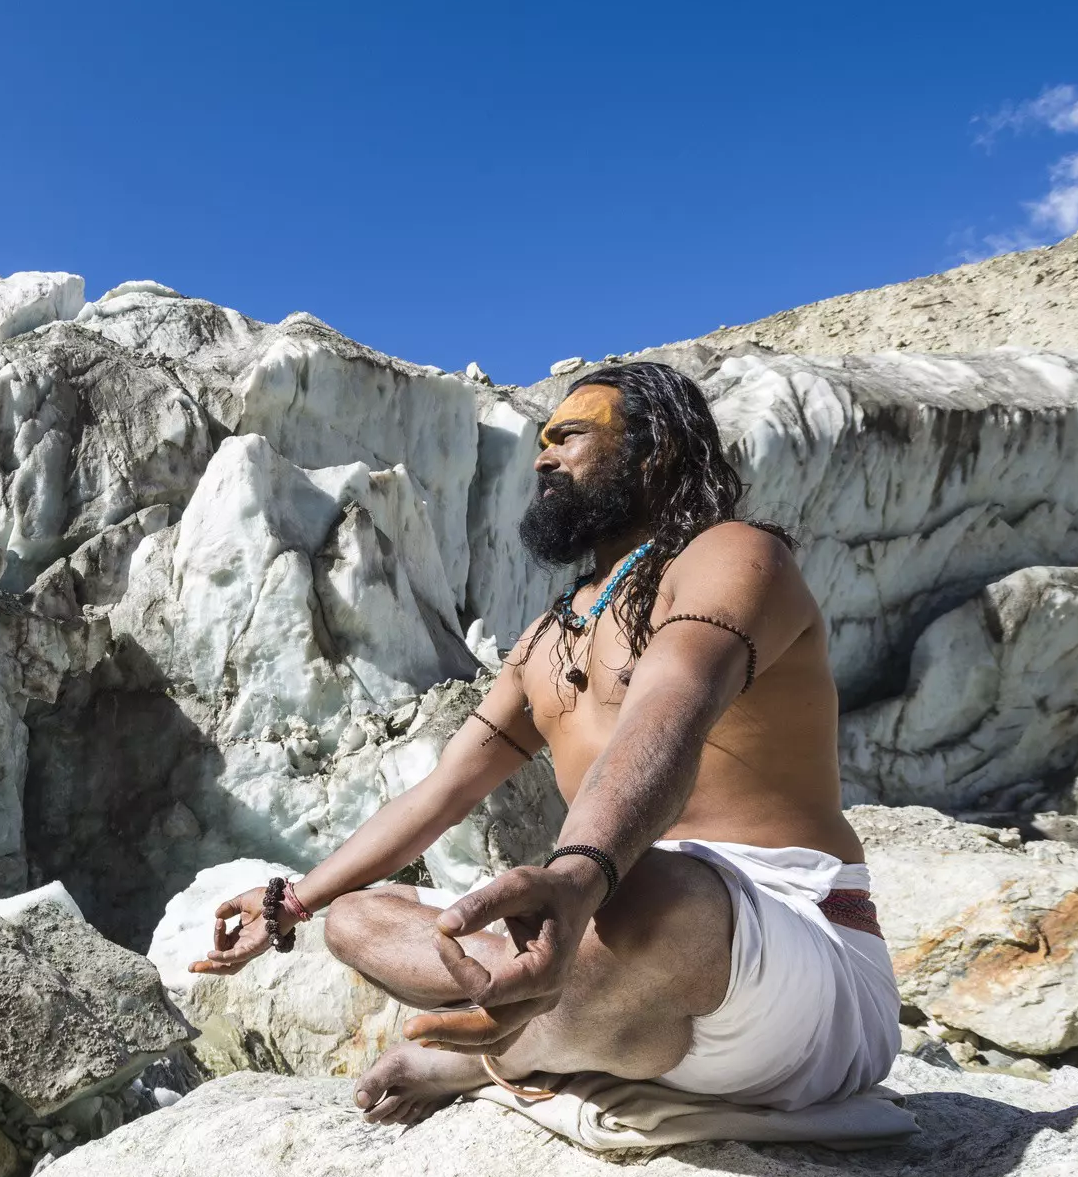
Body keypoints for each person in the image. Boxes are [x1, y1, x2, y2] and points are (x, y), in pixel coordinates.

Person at [194, 360, 900, 1124]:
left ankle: (484, 1054)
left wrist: (578, 877)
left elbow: (675, 703)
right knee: (357, 920)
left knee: (644, 888)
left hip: (789, 961)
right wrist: (291, 902)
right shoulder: (544, 643)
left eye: (570, 437)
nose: (542, 457)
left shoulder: (731, 556)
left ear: (653, 450)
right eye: (539, 440)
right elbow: (441, 794)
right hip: (623, 975)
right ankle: (541, 1020)